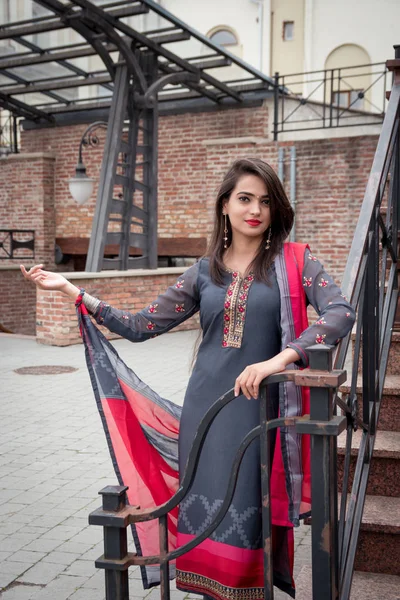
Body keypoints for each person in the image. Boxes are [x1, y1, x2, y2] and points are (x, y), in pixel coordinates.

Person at [21, 157, 355, 599]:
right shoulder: (204, 272)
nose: (255, 209)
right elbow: (140, 326)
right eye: (244, 198)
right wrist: (73, 291)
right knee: (205, 514)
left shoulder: (295, 261)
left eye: (265, 201)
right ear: (224, 206)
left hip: (258, 410)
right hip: (205, 413)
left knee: (248, 513)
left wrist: (280, 360)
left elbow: (341, 312)